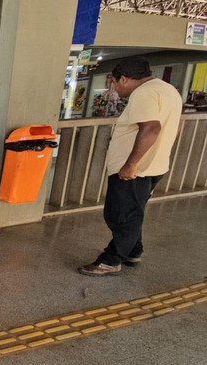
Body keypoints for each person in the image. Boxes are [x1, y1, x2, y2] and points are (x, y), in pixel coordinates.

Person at [78, 57, 183, 276]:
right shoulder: (167, 89)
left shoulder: (143, 93)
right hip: (155, 165)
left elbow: (151, 128)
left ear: (124, 79)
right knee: (133, 211)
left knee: (120, 215)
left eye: (114, 83)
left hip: (135, 170)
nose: (115, 89)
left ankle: (111, 260)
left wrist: (131, 164)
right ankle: (133, 251)